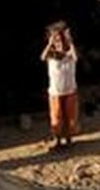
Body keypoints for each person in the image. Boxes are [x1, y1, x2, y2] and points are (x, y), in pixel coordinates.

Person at [41, 21, 78, 150]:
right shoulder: (51, 56)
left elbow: (75, 56)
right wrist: (50, 43)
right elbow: (43, 57)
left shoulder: (69, 55)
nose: (60, 44)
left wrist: (70, 41)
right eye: (57, 41)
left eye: (62, 41)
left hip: (70, 90)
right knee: (56, 117)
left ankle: (68, 140)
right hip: (55, 92)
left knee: (70, 117)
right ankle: (57, 140)